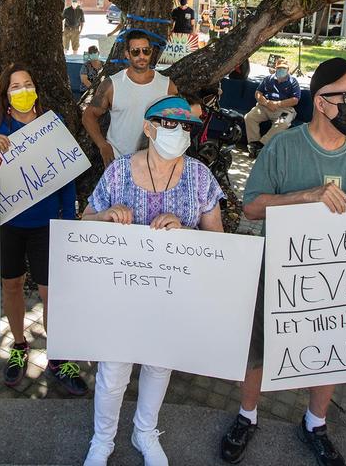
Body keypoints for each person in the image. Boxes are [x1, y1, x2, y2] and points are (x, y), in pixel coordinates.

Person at [220, 58, 346, 466]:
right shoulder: (284, 145)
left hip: (338, 282)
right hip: (277, 271)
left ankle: (315, 422)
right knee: (257, 348)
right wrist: (304, 197)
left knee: (331, 348)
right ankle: (247, 416)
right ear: (322, 101)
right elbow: (252, 207)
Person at [82, 96, 225, 466]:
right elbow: (84, 221)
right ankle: (103, 439)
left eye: (186, 126)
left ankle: (145, 430)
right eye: (169, 124)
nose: (178, 133)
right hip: (120, 297)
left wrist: (185, 231)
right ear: (149, 128)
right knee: (114, 370)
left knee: (159, 366)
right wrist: (107, 215)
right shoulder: (118, 172)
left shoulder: (200, 177)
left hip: (172, 299)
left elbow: (219, 243)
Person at [0, 65, 87, 394]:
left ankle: (59, 355)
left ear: (36, 88)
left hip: (47, 224)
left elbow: (66, 173)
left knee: (52, 293)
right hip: (8, 224)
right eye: (15, 87)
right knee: (11, 286)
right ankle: (19, 345)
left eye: (27, 84)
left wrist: (68, 218)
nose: (22, 90)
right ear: (5, 94)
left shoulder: (52, 125)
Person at [82, 30, 178, 166]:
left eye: (146, 50)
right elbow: (88, 116)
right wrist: (102, 145)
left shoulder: (167, 86)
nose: (141, 56)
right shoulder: (111, 85)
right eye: (135, 51)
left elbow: (178, 121)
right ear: (127, 54)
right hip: (119, 161)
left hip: (154, 164)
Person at [244, 57, 301, 157]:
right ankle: (253, 144)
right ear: (275, 68)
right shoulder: (268, 79)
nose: (281, 70)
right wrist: (266, 103)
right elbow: (258, 93)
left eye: (284, 68)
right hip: (265, 106)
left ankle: (261, 145)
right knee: (249, 117)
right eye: (279, 68)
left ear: (288, 70)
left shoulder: (293, 82)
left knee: (283, 123)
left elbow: (295, 100)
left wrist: (278, 104)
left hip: (284, 109)